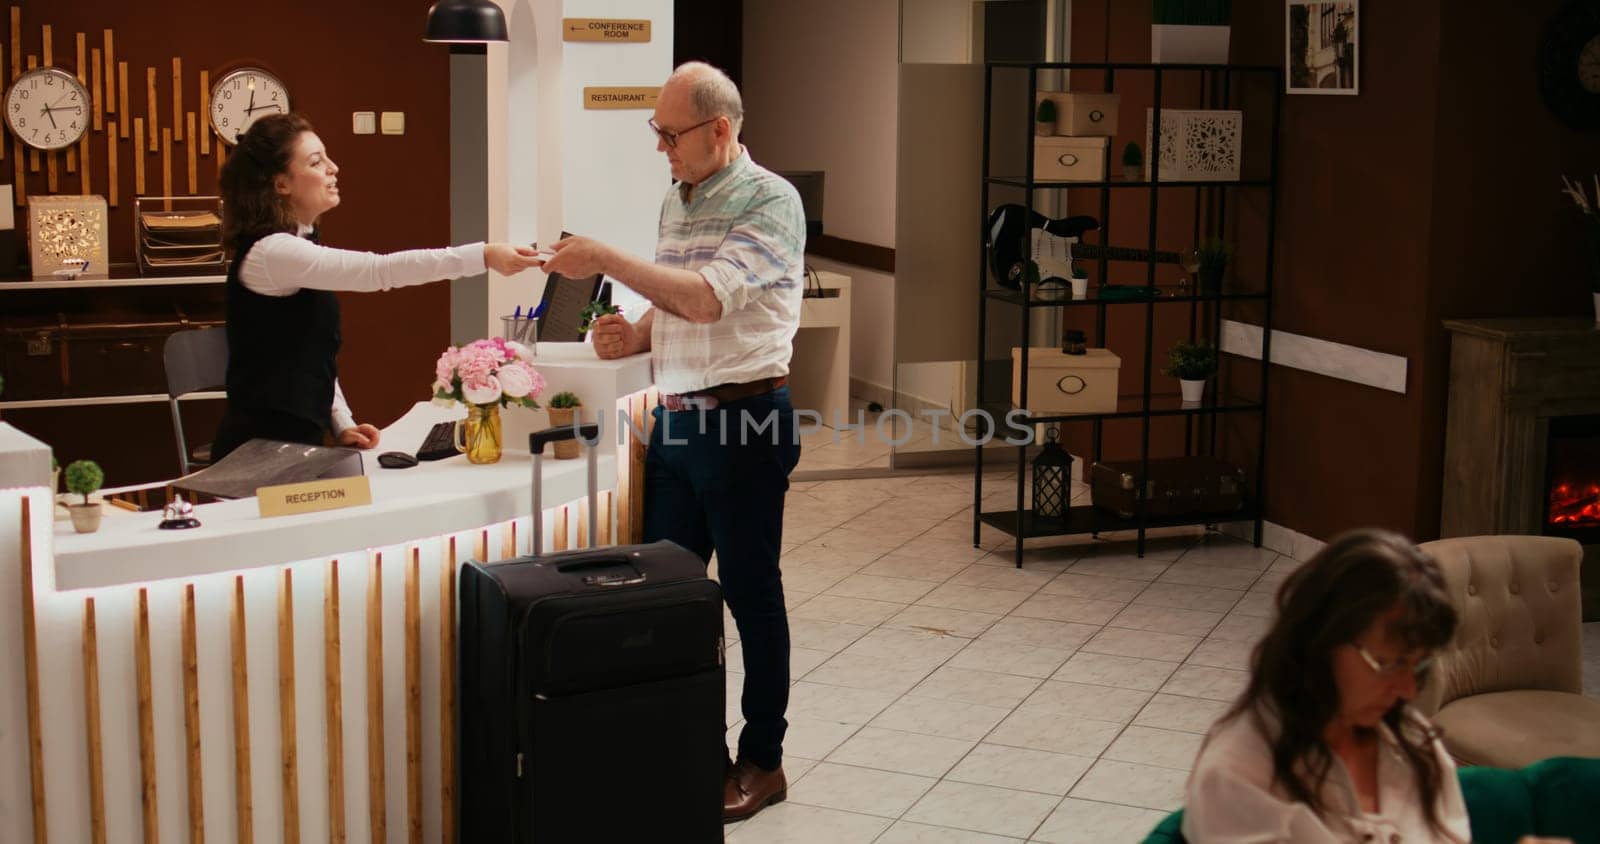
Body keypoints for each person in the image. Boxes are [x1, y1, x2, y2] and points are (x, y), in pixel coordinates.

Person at [538, 61, 805, 823]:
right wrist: (636, 334)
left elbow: (709, 294)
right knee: (667, 595)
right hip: (679, 421)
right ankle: (690, 745)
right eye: (655, 132)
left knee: (752, 597)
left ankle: (764, 759)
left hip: (747, 422)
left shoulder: (770, 201)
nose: (661, 147)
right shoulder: (678, 197)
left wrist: (605, 259)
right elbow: (675, 297)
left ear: (720, 130)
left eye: (670, 133)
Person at [212, 112, 541, 461]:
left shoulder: (296, 247)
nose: (333, 167)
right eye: (316, 161)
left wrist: (341, 424)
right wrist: (484, 256)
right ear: (281, 184)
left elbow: (310, 355)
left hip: (295, 446)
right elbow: (379, 271)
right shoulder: (273, 253)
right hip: (257, 456)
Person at [1184, 529, 1471, 842]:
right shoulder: (1239, 778)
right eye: (1388, 663)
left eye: (1417, 666)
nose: (1408, 691)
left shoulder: (1413, 744)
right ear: (1320, 642)